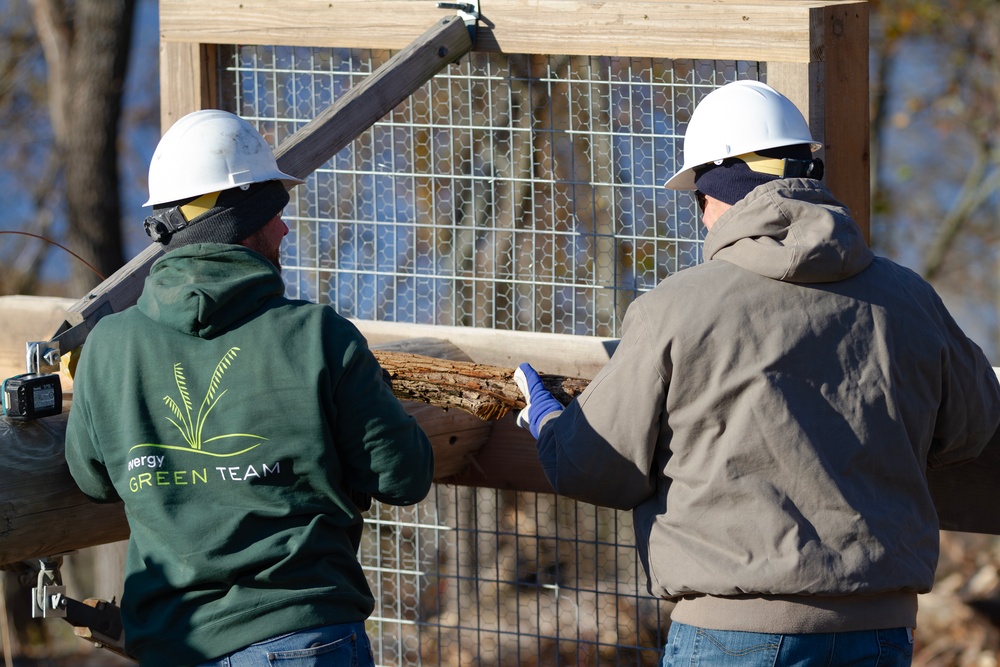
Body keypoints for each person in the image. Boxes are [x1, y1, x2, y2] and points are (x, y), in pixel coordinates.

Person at [514, 80, 1000, 666]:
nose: (700, 219)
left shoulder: (675, 307)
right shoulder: (908, 297)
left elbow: (599, 468)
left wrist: (550, 425)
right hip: (878, 632)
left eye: (698, 198)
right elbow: (973, 425)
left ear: (719, 192)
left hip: (732, 635)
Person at [64, 109, 435, 666]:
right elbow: (404, 475)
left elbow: (92, 478)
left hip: (173, 643)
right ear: (240, 221)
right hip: (302, 635)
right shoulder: (318, 337)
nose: (284, 228)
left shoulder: (108, 348)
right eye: (272, 212)